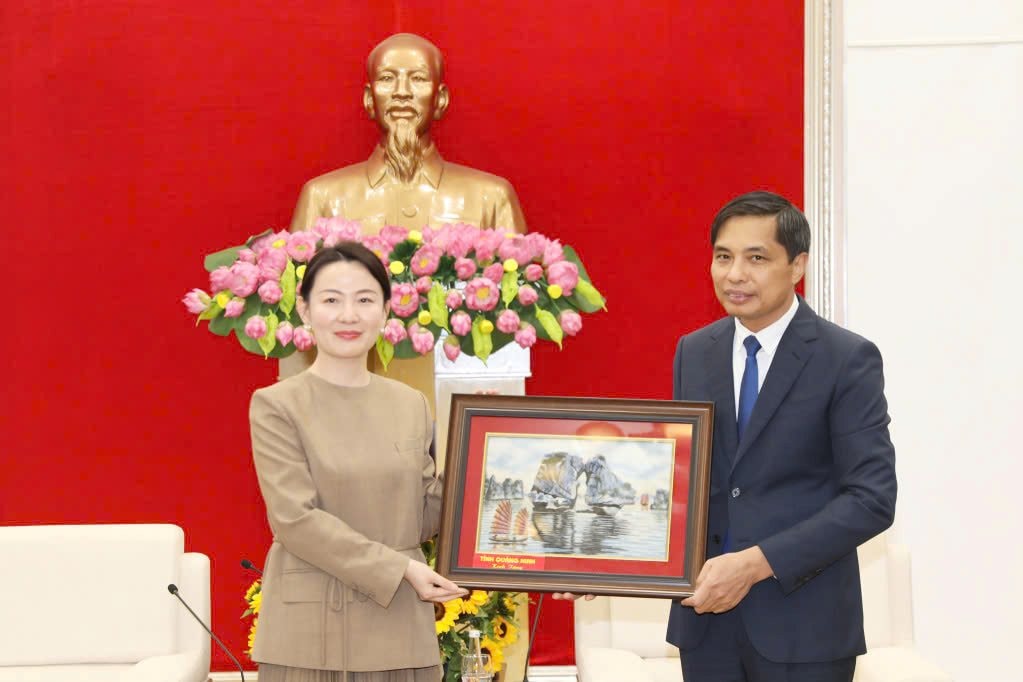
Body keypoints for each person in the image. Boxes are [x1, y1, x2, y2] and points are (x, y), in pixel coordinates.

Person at [557, 190, 897, 682]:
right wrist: (599, 558)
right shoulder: (695, 352)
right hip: (707, 627)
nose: (734, 274)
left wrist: (756, 564)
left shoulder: (846, 358)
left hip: (805, 629)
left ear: (797, 265)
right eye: (723, 257)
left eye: (756, 258)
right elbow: (681, 481)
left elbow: (871, 499)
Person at [248, 241, 467, 682]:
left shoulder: (411, 404)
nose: (349, 315)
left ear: (386, 311)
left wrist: (476, 459)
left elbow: (420, 517)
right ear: (306, 311)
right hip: (313, 635)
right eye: (331, 300)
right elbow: (295, 520)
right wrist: (400, 568)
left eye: (365, 300)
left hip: (400, 627)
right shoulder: (276, 405)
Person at [282, 32, 529, 412]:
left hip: (461, 406)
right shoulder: (323, 196)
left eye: (417, 78)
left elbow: (519, 306)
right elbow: (295, 309)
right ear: (368, 99)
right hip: (346, 408)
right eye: (386, 79)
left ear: (441, 99)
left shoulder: (491, 197)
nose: (401, 92)